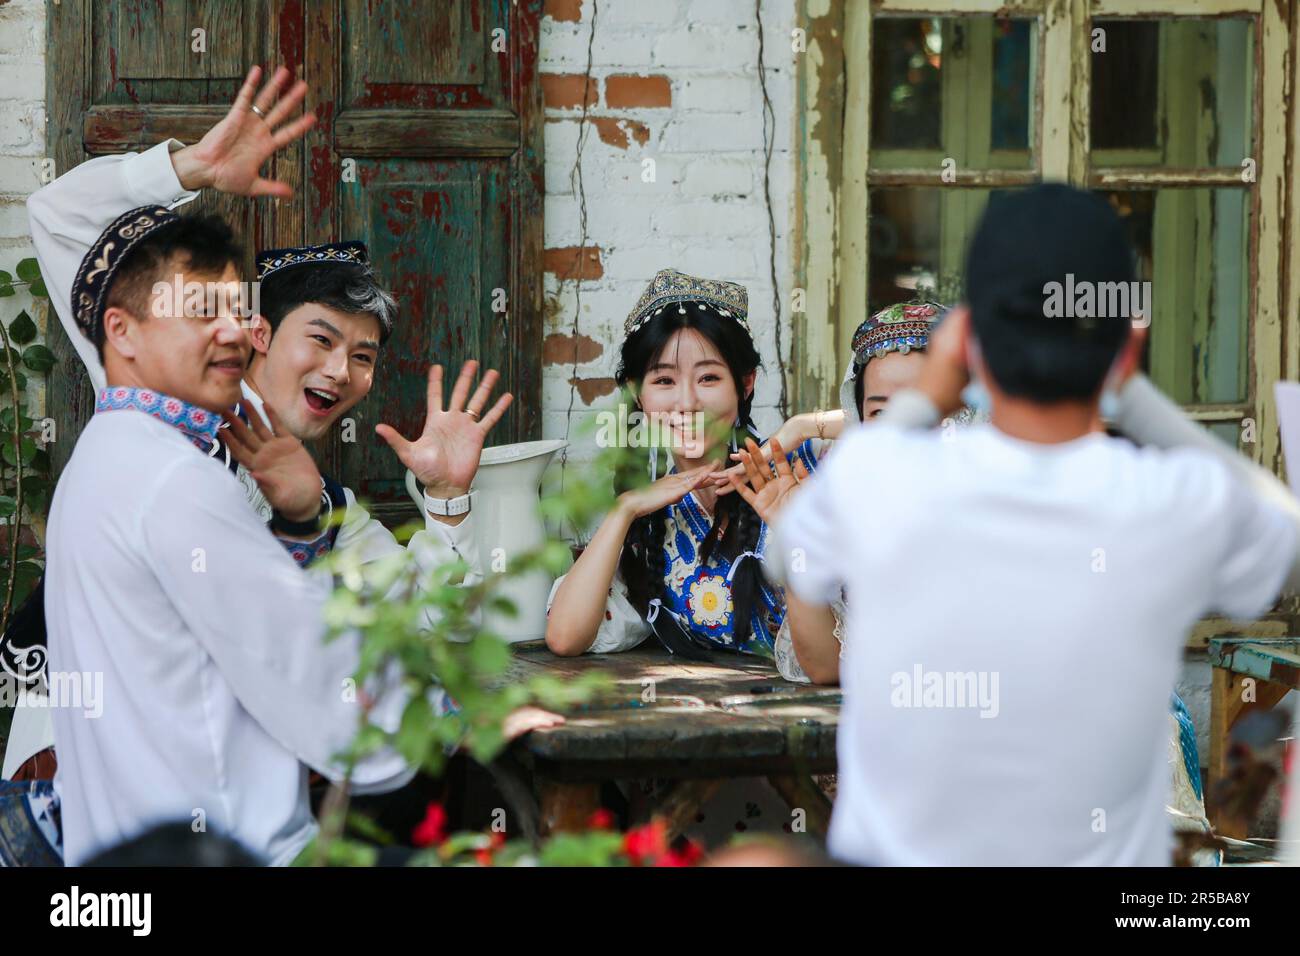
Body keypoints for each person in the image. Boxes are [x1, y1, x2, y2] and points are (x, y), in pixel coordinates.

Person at [4, 68, 558, 788]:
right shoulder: (152, 397)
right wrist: (186, 167)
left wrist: (449, 500)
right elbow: (55, 215)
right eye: (322, 340)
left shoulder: (326, 508)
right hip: (73, 764)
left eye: (363, 358)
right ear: (257, 334)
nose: (342, 371)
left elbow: (426, 626)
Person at [770, 183, 1300, 865]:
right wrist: (1129, 388)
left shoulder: (884, 482)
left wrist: (929, 391)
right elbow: (1285, 533)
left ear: (969, 346)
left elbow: (791, 551)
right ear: (1127, 342)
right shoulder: (1166, 501)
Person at [544, 269, 818, 660]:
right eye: (664, 381)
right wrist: (624, 510)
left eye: (708, 378)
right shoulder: (652, 524)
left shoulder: (802, 472)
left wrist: (804, 427)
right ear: (637, 395)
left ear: (745, 384)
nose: (687, 403)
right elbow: (565, 637)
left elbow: (913, 428)